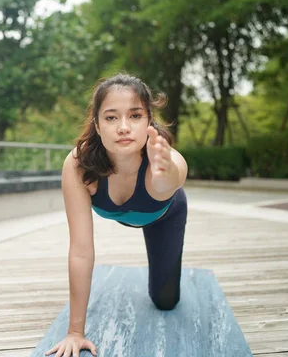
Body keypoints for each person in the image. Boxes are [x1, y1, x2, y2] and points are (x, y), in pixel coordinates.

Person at [46, 73, 188, 357]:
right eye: (111, 118)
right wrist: (75, 332)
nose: (124, 127)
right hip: (127, 208)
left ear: (148, 120)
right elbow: (81, 251)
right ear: (97, 126)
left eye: (135, 115)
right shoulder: (78, 164)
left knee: (166, 301)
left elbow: (168, 181)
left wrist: (166, 172)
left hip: (164, 216)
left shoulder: (164, 159)